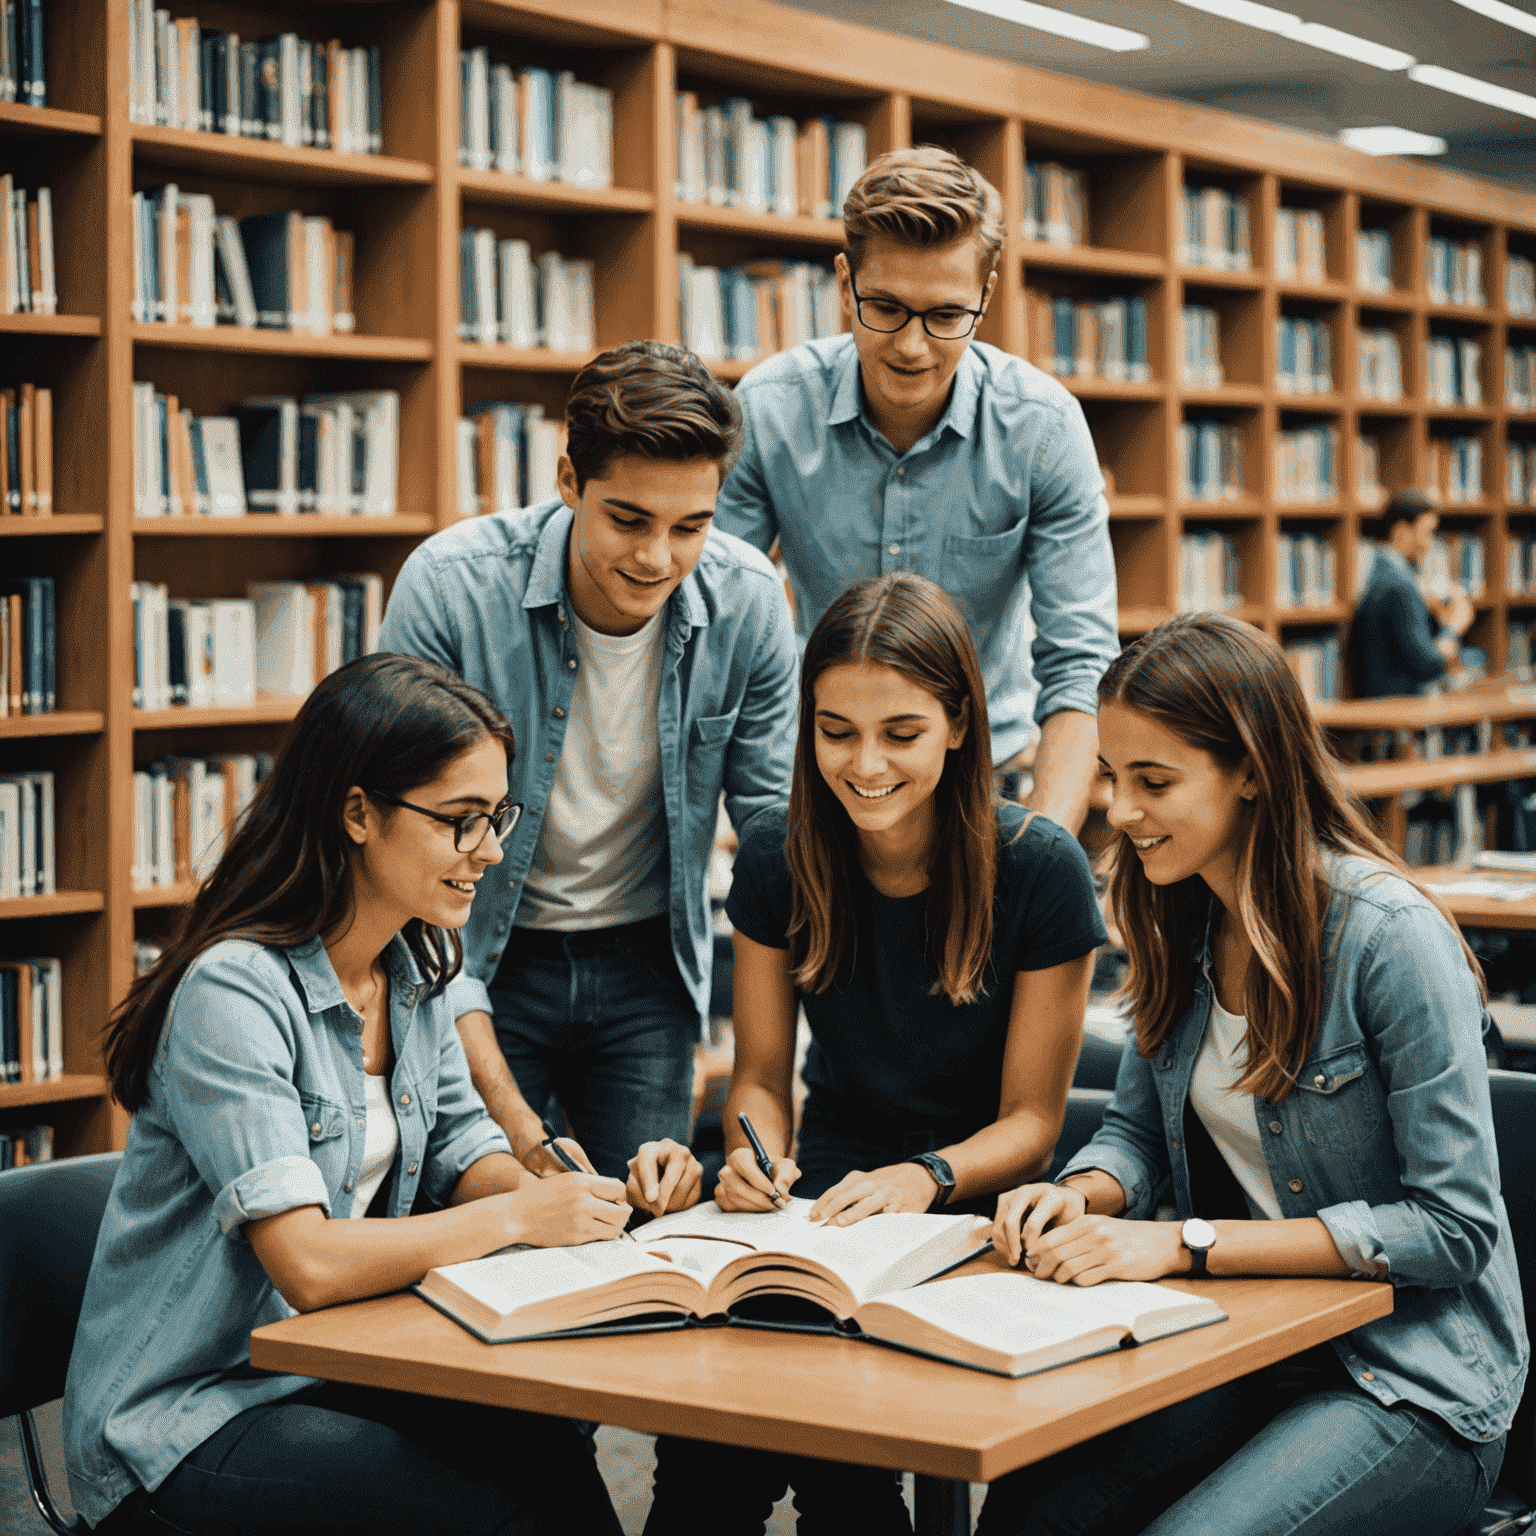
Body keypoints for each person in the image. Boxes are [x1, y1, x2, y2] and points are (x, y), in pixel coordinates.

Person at [66, 653, 650, 1535]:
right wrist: (522, 1219)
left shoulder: (412, 966)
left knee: (552, 1451)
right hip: (180, 1421)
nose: (489, 850)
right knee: (487, 1518)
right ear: (357, 814)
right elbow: (308, 1261)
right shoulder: (236, 992)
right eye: (461, 821)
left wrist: (578, 1197)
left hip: (328, 1370)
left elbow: (464, 1152)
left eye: (497, 817)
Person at [982, 611, 1527, 1536]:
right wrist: (1084, 1194)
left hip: (1411, 1381)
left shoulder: (1389, 940)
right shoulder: (1177, 915)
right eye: (1114, 777)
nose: (1120, 810)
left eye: (1154, 782)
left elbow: (1456, 1227)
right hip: (1252, 1345)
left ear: (1252, 775)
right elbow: (1137, 1132)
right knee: (1032, 1511)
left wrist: (1183, 1244)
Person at [639, 573, 1108, 1536]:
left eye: (901, 732)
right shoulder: (776, 854)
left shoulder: (1038, 869)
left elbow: (1033, 1126)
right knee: (701, 1450)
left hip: (977, 1206)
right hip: (826, 1205)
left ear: (960, 725)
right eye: (835, 730)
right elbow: (764, 1079)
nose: (865, 764)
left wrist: (926, 1177)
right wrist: (755, 1154)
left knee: (845, 1466)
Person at [379, 342, 798, 1190]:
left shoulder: (748, 598)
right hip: (473, 948)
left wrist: (765, 1085)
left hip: (649, 959)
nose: (657, 560)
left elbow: (772, 842)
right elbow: (402, 856)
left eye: (692, 527)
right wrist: (522, 1133)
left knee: (639, 1235)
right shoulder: (451, 590)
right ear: (569, 481)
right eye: (629, 520)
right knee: (479, 1216)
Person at [714, 146, 1119, 832]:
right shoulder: (770, 411)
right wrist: (765, 824)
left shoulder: (1042, 430)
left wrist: (1046, 843)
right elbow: (722, 627)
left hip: (993, 776)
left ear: (986, 299)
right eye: (886, 308)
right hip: (835, 775)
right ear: (844, 285)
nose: (911, 346)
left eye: (944, 315)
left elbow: (1079, 660)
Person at [1351, 490, 1473, 698]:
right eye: (1427, 532)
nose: (1429, 544)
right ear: (1401, 531)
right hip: (1397, 708)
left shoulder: (1379, 574)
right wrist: (1454, 627)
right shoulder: (1399, 585)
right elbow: (1427, 665)